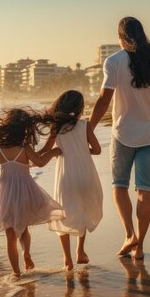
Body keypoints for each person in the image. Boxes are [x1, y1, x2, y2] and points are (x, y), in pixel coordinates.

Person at [89, 17, 150, 260]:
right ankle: (139, 246)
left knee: (119, 187)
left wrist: (89, 128)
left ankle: (130, 234)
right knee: (144, 191)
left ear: (121, 37)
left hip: (123, 135)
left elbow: (103, 100)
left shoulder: (114, 62)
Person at [0, 108, 64, 277]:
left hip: (5, 193)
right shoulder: (24, 147)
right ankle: (26, 254)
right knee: (23, 228)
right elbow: (39, 162)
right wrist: (53, 152)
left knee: (10, 235)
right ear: (23, 129)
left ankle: (16, 272)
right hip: (25, 191)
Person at [38, 90, 103, 271]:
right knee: (82, 210)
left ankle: (67, 261)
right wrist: (82, 151)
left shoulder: (57, 128)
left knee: (63, 215)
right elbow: (97, 150)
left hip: (67, 175)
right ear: (80, 108)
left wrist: (27, 156)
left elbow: (45, 150)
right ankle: (80, 252)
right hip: (86, 174)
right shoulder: (85, 125)